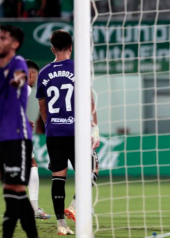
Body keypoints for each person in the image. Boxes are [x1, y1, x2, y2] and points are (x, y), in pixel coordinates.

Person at [36, 30, 100, 235]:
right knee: (92, 169)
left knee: (58, 177)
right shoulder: (79, 69)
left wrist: (50, 126)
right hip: (76, 132)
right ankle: (74, 205)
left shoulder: (44, 72)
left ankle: (61, 224)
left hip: (54, 131)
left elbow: (42, 108)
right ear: (71, 47)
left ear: (52, 49)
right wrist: (95, 129)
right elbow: (89, 101)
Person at [0, 24, 38, 238]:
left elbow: (17, 82)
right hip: (2, 137)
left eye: (3, 38)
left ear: (14, 43)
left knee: (12, 191)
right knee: (14, 192)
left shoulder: (18, 64)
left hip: (17, 136)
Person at [25, 59, 51, 220]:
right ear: (30, 73)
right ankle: (34, 208)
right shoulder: (25, 88)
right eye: (35, 76)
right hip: (13, 132)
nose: (35, 81)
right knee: (32, 164)